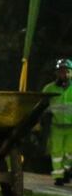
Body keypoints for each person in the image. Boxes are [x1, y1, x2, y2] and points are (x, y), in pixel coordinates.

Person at [42, 58, 72, 186]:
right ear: (56, 73)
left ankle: (66, 170)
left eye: (66, 71)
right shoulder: (49, 89)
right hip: (57, 127)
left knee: (70, 152)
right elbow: (41, 105)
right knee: (56, 152)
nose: (63, 74)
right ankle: (58, 176)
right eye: (60, 71)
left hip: (71, 128)